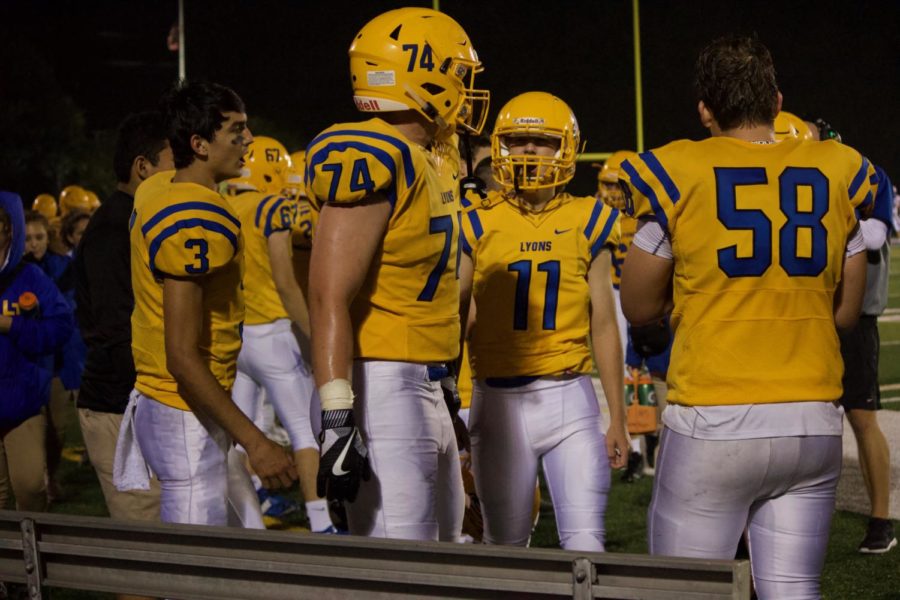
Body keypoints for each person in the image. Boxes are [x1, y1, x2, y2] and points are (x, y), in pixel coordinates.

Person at [619, 35, 873, 598]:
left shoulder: (680, 168)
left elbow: (637, 306)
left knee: (687, 591)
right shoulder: (834, 167)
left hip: (716, 416)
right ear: (777, 101)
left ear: (705, 108)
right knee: (794, 589)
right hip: (811, 418)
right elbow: (847, 311)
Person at [306, 6, 488, 541]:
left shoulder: (426, 157)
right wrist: (338, 417)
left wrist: (448, 392)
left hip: (427, 380)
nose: (465, 86)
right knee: (400, 567)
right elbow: (326, 294)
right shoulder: (371, 150)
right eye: (456, 72)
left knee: (449, 552)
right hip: (381, 383)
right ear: (420, 74)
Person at [458, 92, 627, 551]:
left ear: (567, 148)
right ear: (499, 147)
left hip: (569, 396)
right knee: (504, 545)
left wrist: (618, 417)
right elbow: (456, 318)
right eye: (519, 140)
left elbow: (605, 325)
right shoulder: (474, 222)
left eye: (541, 141)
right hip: (496, 402)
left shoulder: (588, 218)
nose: (529, 151)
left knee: (586, 545)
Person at [125, 80, 296, 527]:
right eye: (236, 131)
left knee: (245, 539)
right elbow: (181, 356)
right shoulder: (195, 217)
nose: (249, 140)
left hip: (170, 401)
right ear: (199, 144)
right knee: (194, 572)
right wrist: (256, 441)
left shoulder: (159, 187)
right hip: (183, 409)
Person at [225, 135, 336, 532]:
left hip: (236, 338)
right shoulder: (269, 206)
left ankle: (247, 520)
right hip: (274, 333)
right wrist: (315, 331)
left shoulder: (221, 205)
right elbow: (286, 283)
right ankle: (322, 521)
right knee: (305, 433)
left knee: (241, 437)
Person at [75, 110, 172, 526]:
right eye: (174, 162)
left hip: (144, 400)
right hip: (121, 407)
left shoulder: (138, 219)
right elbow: (115, 330)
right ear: (143, 167)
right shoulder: (113, 230)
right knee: (145, 551)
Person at [0, 191, 73, 512]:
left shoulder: (31, 277)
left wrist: (12, 326)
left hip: (21, 402)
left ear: (8, 232)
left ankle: (34, 555)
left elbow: (60, 327)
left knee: (29, 487)